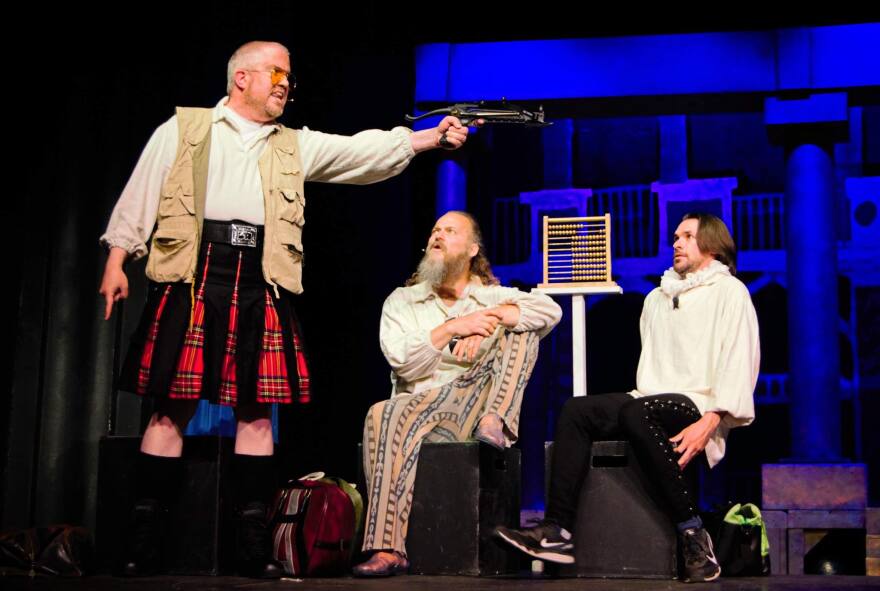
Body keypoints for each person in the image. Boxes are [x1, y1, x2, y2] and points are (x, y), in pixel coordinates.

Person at [98, 40, 477, 578]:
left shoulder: (292, 145)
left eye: (289, 77)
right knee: (170, 408)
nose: (284, 84)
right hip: (194, 273)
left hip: (260, 276)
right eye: (275, 73)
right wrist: (118, 259)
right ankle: (145, 542)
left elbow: (358, 152)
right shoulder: (184, 130)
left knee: (256, 411)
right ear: (241, 78)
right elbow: (142, 192)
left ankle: (254, 544)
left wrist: (428, 137)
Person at [495, 213, 760, 583]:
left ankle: (693, 532)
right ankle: (557, 532)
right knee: (577, 409)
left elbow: (739, 359)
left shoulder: (731, 292)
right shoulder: (656, 298)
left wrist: (713, 420)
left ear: (713, 246)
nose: (676, 243)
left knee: (637, 411)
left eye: (687, 236)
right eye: (675, 236)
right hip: (647, 401)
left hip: (697, 406)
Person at [353, 210, 562, 576]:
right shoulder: (402, 301)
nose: (438, 235)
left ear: (472, 249)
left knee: (523, 327)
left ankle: (498, 418)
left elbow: (549, 310)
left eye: (450, 231)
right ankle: (388, 548)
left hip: (478, 404)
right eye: (435, 230)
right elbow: (404, 364)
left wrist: (493, 317)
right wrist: (454, 328)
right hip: (423, 405)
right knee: (378, 411)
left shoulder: (489, 295)